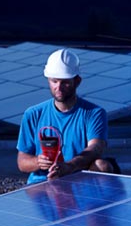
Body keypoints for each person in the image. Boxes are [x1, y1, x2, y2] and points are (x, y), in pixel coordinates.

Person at [16, 48, 117, 184]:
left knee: (102, 165)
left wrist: (69, 167)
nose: (59, 87)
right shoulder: (33, 114)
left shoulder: (94, 113)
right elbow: (22, 162)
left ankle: (93, 201)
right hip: (41, 182)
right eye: (54, 81)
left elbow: (95, 148)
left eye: (65, 82)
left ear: (77, 81)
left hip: (78, 181)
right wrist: (38, 162)